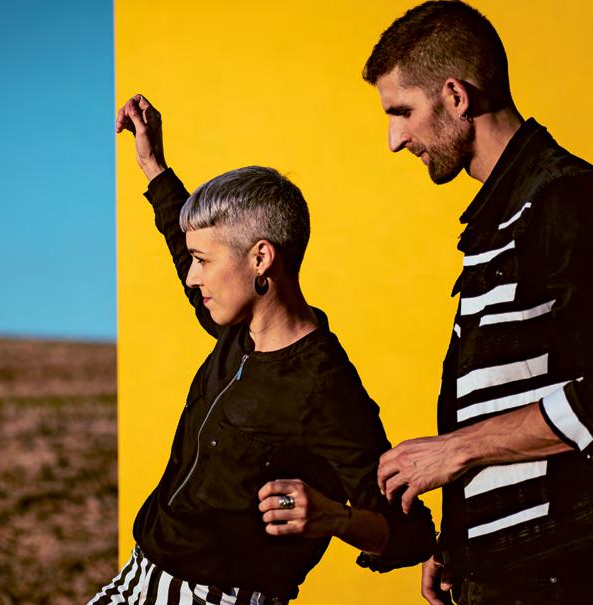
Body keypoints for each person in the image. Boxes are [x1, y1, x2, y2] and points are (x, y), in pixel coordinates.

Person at [358, 2, 593, 604]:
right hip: (510, 567)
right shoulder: (505, 214)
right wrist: (461, 542)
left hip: (561, 572)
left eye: (402, 112)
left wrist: (452, 452)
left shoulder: (569, 203)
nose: (395, 140)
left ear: (455, 96)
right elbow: (515, 385)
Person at [86, 95, 435, 605]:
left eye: (204, 261)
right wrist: (153, 166)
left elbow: (411, 534)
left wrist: (334, 518)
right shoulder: (236, 331)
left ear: (261, 258)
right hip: (139, 578)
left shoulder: (322, 385)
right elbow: (183, 247)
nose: (193, 276)